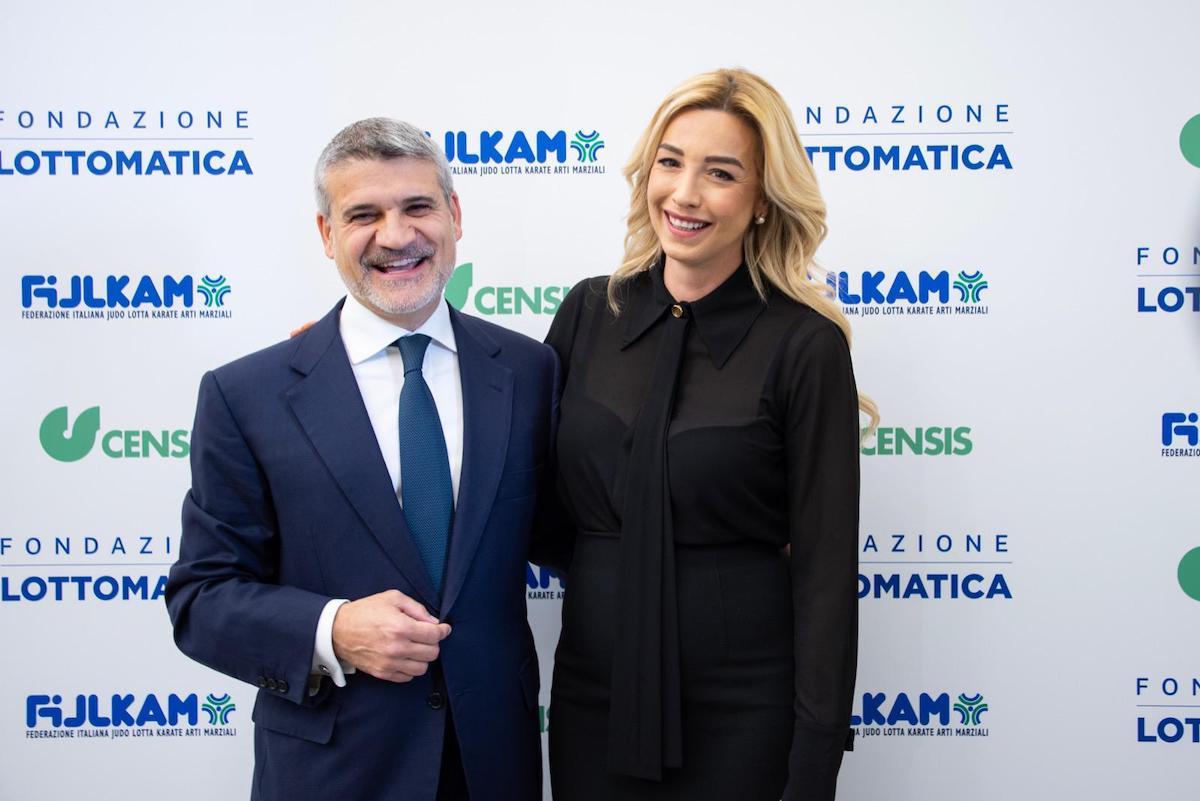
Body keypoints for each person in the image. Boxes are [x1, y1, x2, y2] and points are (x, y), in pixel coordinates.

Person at [166, 118, 555, 801]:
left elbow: (583, 535)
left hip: (493, 764)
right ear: (326, 234)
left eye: (417, 207)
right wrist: (335, 630)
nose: (396, 236)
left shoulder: (529, 371)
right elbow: (201, 598)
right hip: (332, 772)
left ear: (455, 215)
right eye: (363, 215)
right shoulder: (246, 394)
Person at [541, 69, 875, 801]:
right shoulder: (589, 313)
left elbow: (825, 576)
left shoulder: (804, 345)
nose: (685, 193)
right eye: (671, 162)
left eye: (720, 173)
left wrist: (816, 758)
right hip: (593, 699)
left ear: (763, 201)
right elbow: (524, 493)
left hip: (742, 713)